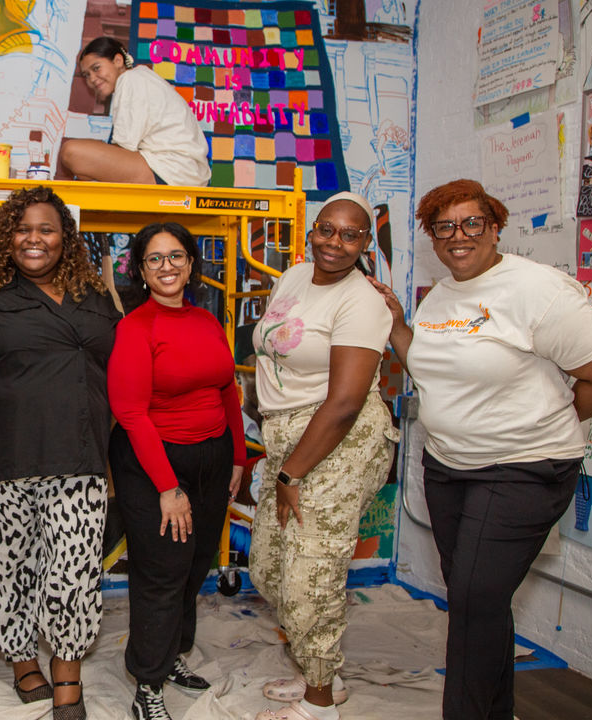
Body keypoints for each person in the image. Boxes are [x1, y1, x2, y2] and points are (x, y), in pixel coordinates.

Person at [368, 180, 592, 720]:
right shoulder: (442, 295)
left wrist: (544, 423)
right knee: (478, 600)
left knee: (475, 598)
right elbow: (432, 368)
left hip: (521, 469)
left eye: (472, 223)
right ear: (432, 237)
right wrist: (398, 326)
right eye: (444, 227)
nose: (458, 236)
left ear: (494, 228)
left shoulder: (536, 289)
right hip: (449, 467)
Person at [0, 186, 120, 720]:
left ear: (64, 237)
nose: (34, 239)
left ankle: (67, 674)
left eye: (46, 229)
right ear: (7, 237)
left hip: (78, 460)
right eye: (23, 229)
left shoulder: (95, 297)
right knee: (6, 570)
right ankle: (23, 659)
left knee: (74, 572)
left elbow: (120, 370)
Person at [245, 193, 400, 720]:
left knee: (309, 576)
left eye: (351, 234)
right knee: (268, 568)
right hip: (288, 440)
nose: (336, 242)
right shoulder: (293, 276)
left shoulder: (362, 300)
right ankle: (320, 670)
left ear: (364, 243)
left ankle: (319, 701)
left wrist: (291, 473)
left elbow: (346, 402)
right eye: (327, 230)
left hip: (339, 440)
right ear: (312, 231)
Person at [106, 222, 246, 720]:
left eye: (176, 256)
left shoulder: (206, 321)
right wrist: (167, 487)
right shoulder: (135, 327)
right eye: (155, 259)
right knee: (162, 573)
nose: (167, 266)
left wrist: (237, 456)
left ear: (191, 264)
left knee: (194, 565)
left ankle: (173, 656)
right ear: (142, 271)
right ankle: (148, 682)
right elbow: (130, 413)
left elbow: (227, 389)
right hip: (154, 462)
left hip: (213, 458)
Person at [58, 37, 210, 187]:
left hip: (173, 171)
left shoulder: (130, 79)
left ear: (118, 61)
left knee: (71, 152)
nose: (92, 78)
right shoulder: (140, 77)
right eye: (87, 75)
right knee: (86, 168)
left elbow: (124, 148)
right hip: (182, 171)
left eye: (96, 68)